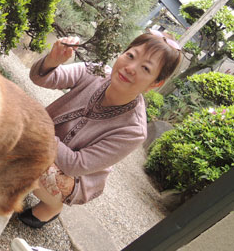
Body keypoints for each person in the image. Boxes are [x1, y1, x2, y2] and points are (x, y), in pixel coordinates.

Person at [18, 31, 183, 228]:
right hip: (43, 140)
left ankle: (52, 205)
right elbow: (42, 78)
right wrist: (52, 61)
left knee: (33, 157)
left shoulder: (134, 130)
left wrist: (37, 129)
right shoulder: (95, 71)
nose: (130, 68)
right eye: (131, 55)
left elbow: (75, 165)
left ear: (156, 83)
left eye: (146, 68)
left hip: (73, 176)